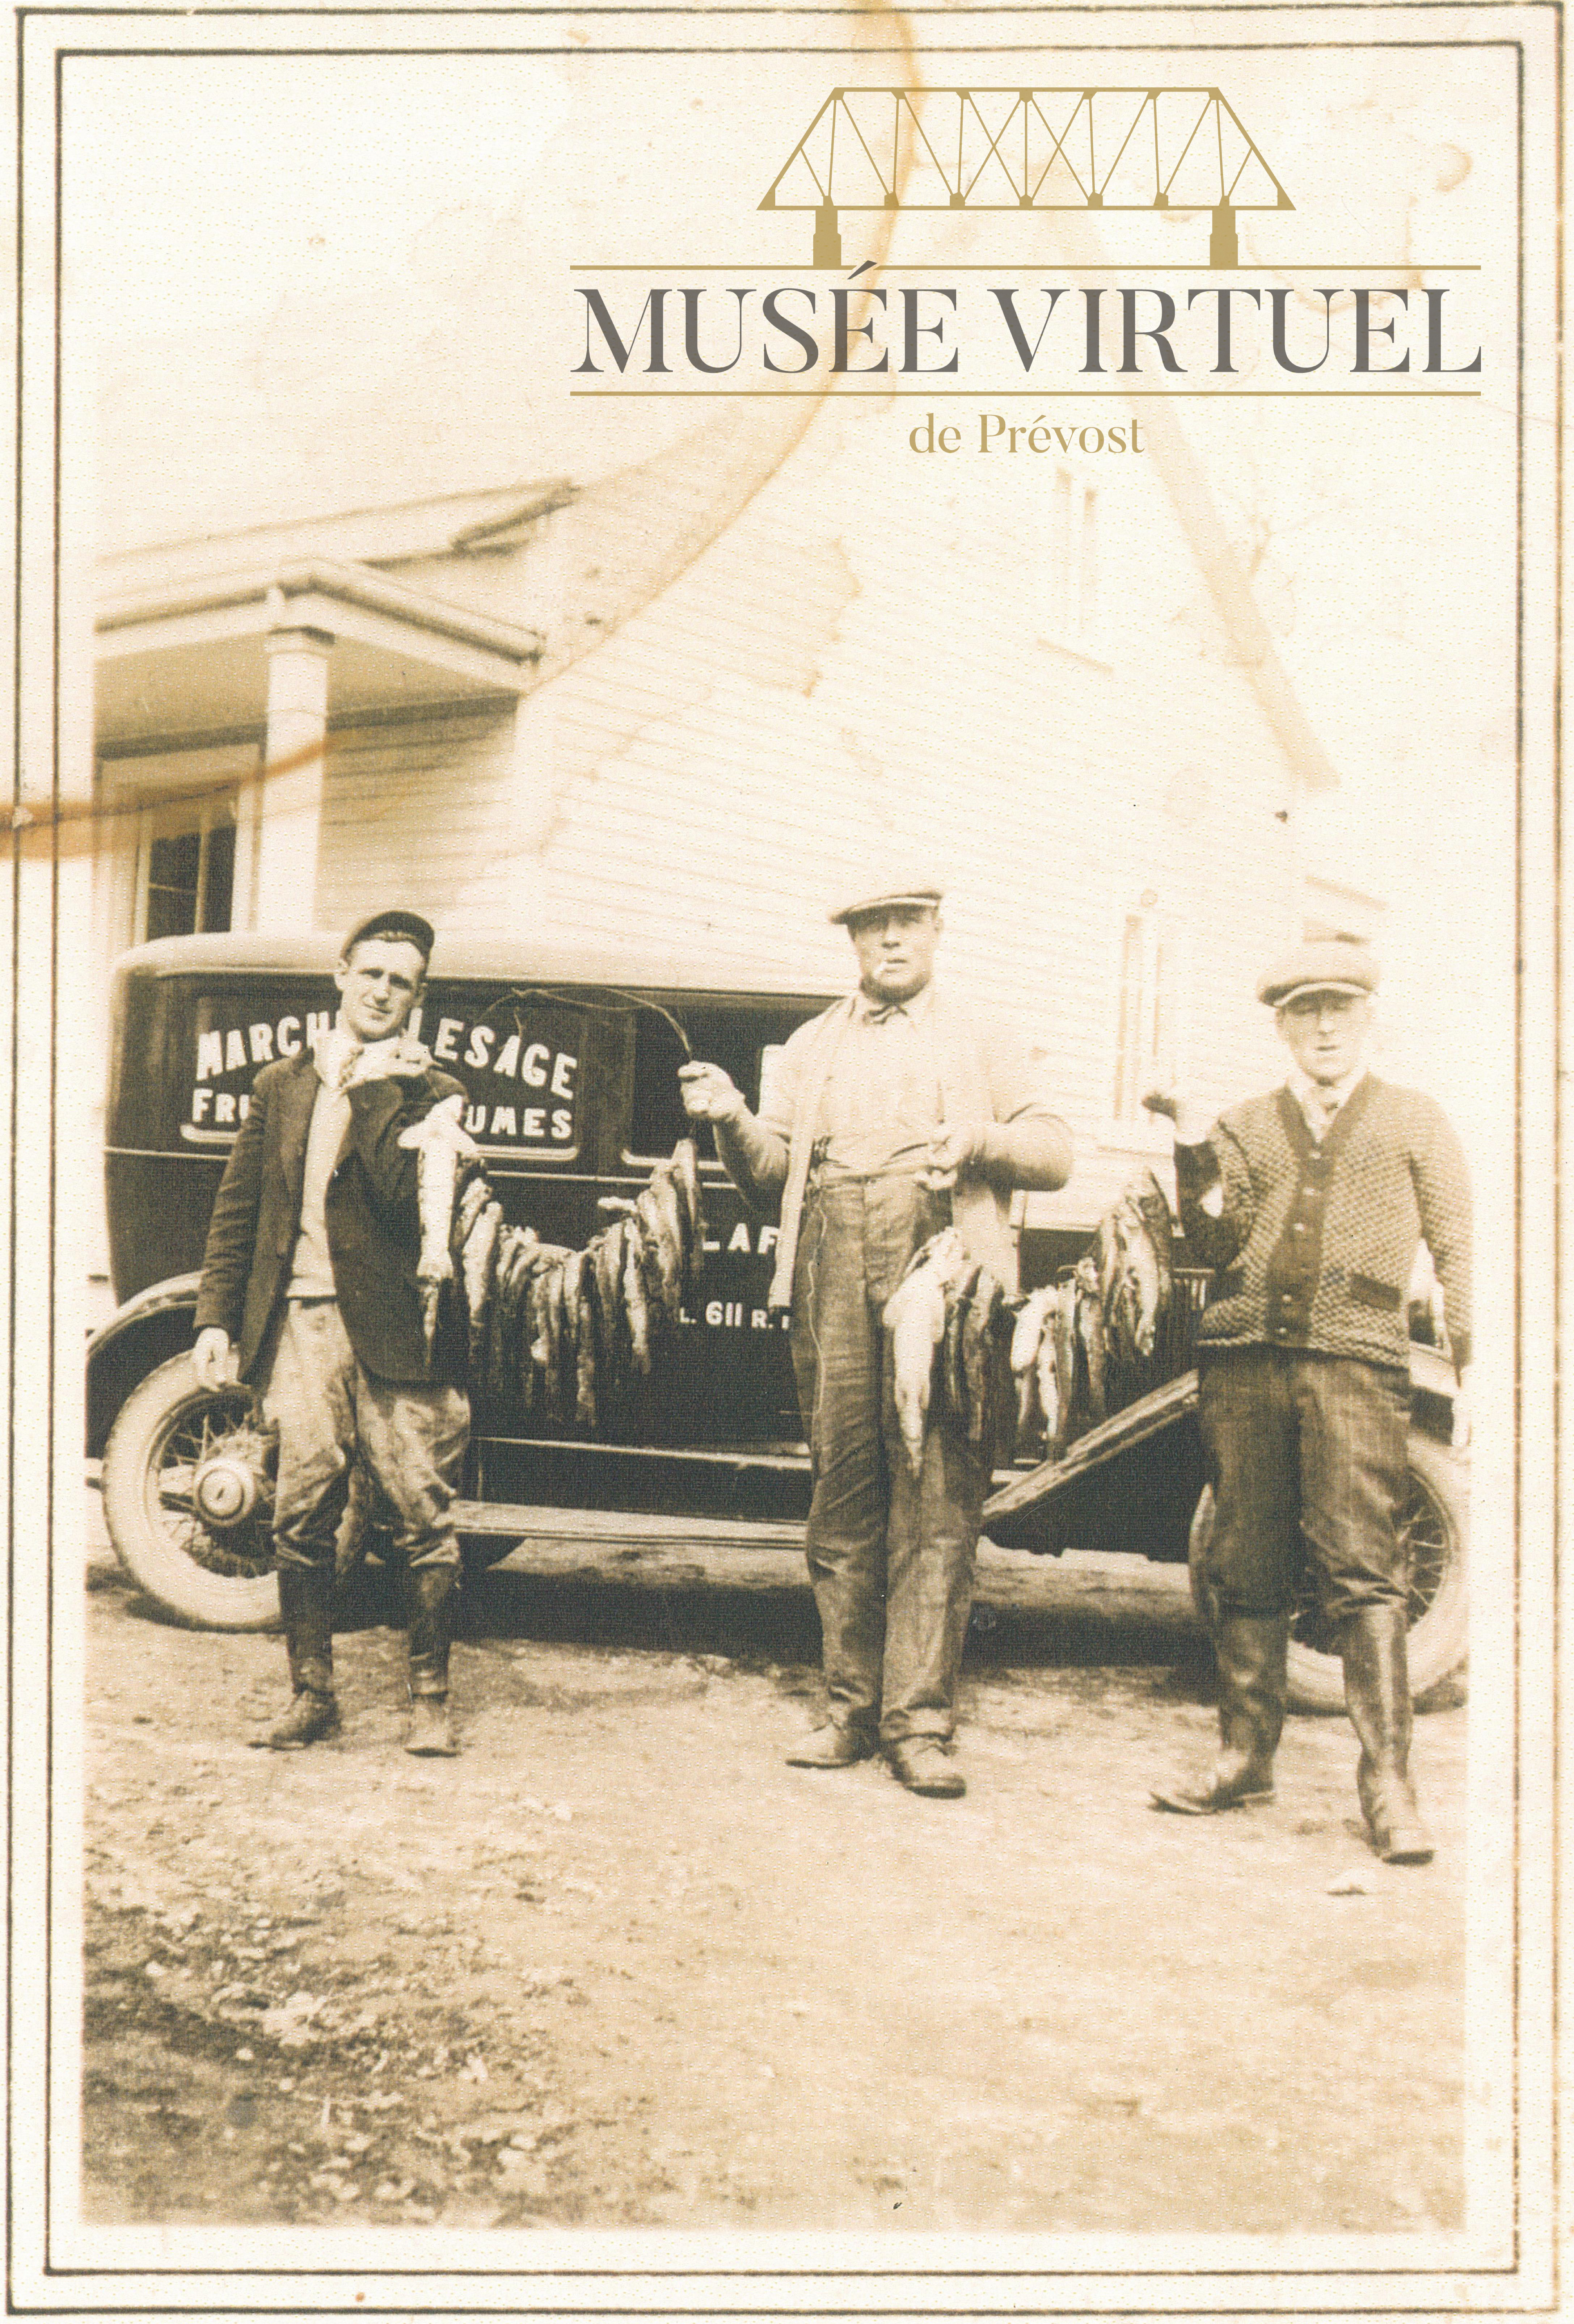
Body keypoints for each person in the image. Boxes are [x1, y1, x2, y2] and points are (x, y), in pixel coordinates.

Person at [679, 875, 1073, 1798]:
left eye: (907, 926)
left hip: (941, 1264)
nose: (891, 942)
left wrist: (979, 1139)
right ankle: (850, 1712)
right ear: (852, 942)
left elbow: (1054, 1150)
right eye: (872, 929)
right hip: (830, 1259)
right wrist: (733, 1117)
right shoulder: (811, 1045)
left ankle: (919, 1726)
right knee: (844, 1493)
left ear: (937, 930)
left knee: (937, 1499)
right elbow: (771, 1176)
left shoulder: (984, 1036)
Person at [1144, 939, 1471, 1861]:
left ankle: (1389, 1786)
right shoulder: (1246, 1125)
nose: (1324, 1027)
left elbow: (1459, 1248)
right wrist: (1189, 1136)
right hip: (1245, 1367)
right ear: (1282, 1026)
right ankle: (1245, 1756)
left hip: (1357, 1367)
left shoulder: (1417, 1122)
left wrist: (1477, 1369)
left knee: (1366, 1569)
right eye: (1304, 1013)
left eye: (1340, 1009)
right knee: (1245, 1557)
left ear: (1369, 1018)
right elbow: (1214, 1238)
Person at [191, 909, 471, 1756]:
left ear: (417, 998)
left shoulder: (437, 1093)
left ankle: (430, 1703)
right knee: (300, 1515)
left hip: (399, 1336)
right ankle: (313, 1696)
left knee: (422, 1514)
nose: (384, 991)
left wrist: (379, 1086)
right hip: (302, 1328)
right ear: (341, 975)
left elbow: (397, 1197)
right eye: (373, 973)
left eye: (403, 982)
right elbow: (240, 1207)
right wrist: (216, 1318)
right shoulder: (281, 1087)